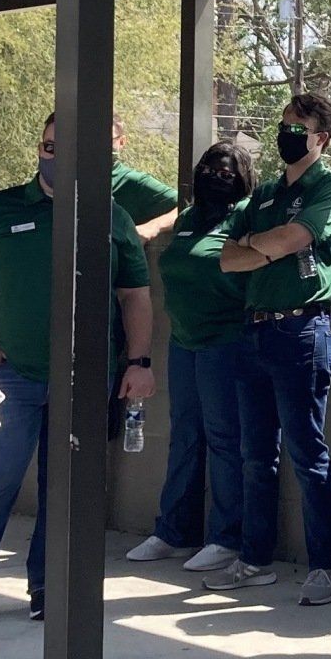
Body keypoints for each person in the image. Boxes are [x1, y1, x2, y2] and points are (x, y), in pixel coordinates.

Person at [0, 115, 155, 618]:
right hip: (11, 378)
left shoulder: (112, 218)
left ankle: (53, 590)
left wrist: (139, 362)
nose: (53, 154)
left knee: (69, 493)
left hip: (88, 378)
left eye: (64, 147)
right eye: (47, 145)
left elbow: (134, 296)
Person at [219, 93, 331, 605]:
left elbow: (293, 240)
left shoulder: (329, 186)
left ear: (322, 138)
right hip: (254, 330)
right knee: (256, 454)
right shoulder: (265, 193)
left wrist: (265, 245)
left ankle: (324, 566)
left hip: (302, 332)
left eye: (300, 128)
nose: (288, 134)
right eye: (285, 125)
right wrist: (261, 246)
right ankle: (254, 557)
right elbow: (228, 258)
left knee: (306, 450)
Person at [126, 140, 257, 578]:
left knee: (224, 438)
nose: (217, 177)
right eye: (211, 169)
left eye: (228, 172)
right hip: (184, 341)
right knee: (184, 434)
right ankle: (173, 529)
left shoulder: (246, 216)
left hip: (227, 341)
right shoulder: (187, 216)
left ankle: (225, 536)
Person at [111, 119, 180, 246]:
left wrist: (153, 227)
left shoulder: (133, 181)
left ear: (121, 142)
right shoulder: (68, 177)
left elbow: (186, 207)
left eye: (109, 140)